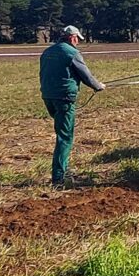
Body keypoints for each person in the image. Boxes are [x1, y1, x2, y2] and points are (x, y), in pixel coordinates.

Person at [39, 25, 105, 187]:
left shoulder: (47, 52)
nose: (78, 42)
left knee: (61, 131)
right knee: (65, 137)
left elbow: (42, 73)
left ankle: (63, 168)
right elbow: (86, 76)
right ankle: (59, 177)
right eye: (77, 39)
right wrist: (98, 86)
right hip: (64, 98)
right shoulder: (72, 53)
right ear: (72, 37)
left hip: (48, 96)